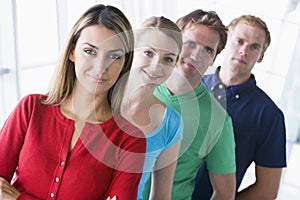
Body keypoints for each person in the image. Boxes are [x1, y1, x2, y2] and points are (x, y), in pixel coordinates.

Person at [0, 4, 146, 200]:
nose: (101, 66)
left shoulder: (130, 140)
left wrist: (18, 198)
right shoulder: (31, 109)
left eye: (114, 56)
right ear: (71, 52)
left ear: (124, 64)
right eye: (90, 51)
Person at [143, 9, 236, 200]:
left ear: (214, 59)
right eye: (190, 43)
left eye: (208, 50)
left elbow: (225, 193)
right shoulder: (138, 86)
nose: (196, 55)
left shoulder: (217, 120)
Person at [193, 15, 287, 199]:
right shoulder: (190, 86)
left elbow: (267, 189)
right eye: (240, 41)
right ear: (226, 41)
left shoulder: (269, 115)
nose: (244, 50)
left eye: (254, 47)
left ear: (261, 56)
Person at [117, 16, 183, 199]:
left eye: (168, 59)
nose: (156, 66)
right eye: (148, 53)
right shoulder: (98, 100)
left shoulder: (171, 123)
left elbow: (161, 196)